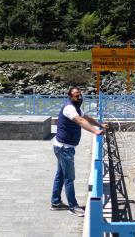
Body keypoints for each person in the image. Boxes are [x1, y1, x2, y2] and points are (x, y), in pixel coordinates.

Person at [51, 87, 107, 217]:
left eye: (80, 95)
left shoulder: (76, 107)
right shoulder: (69, 108)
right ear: (70, 96)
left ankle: (56, 202)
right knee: (69, 178)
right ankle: (73, 206)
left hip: (64, 147)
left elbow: (86, 117)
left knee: (60, 175)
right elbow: (80, 121)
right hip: (64, 148)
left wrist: (100, 125)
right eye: (76, 95)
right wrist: (95, 131)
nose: (79, 97)